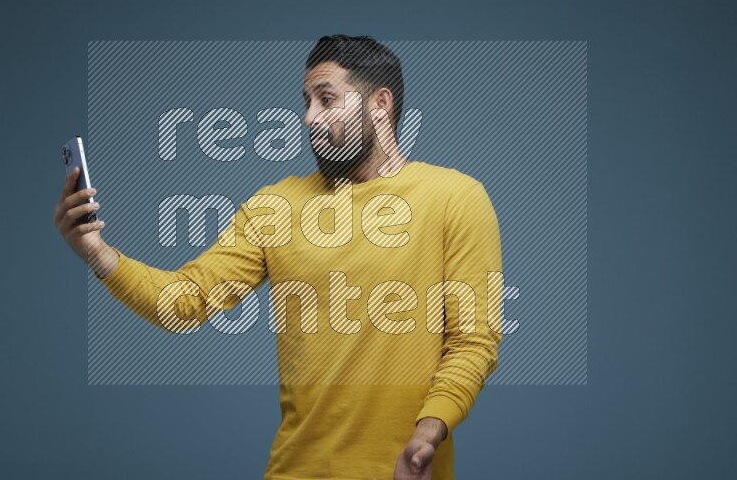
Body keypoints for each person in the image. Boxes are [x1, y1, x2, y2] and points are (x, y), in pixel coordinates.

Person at [54, 35, 503, 479]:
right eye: (306, 101)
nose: (309, 117)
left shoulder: (455, 198)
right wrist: (97, 253)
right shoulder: (276, 206)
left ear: (380, 104)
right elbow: (184, 302)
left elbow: (473, 341)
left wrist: (429, 433)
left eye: (326, 100)